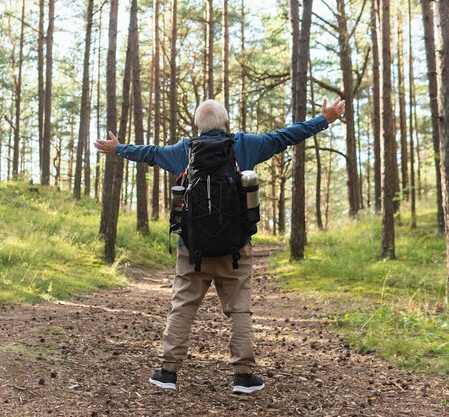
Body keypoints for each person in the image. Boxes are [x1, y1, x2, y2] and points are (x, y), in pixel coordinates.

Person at [94, 98, 346, 394]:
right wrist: (324, 119)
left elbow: (150, 153)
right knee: (239, 310)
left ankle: (167, 372)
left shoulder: (183, 151)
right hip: (236, 250)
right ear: (226, 123)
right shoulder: (245, 146)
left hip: (192, 250)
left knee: (182, 307)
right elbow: (286, 136)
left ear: (197, 127)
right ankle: (243, 377)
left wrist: (118, 149)